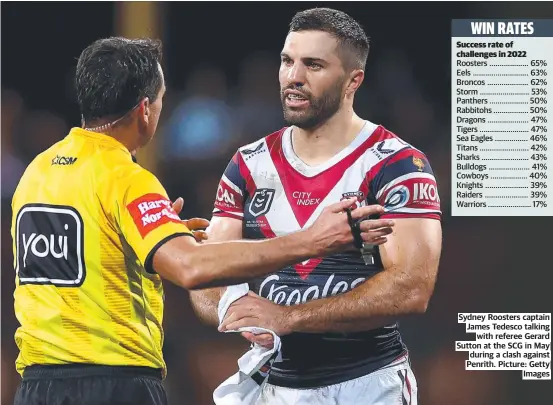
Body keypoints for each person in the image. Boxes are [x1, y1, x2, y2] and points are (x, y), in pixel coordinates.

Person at [10, 37, 394, 405]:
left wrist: (151, 238)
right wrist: (312, 240)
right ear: (145, 109)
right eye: (161, 101)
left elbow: (73, 259)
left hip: (35, 385)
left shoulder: (37, 172)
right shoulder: (125, 178)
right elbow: (190, 268)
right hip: (112, 384)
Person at [190, 8, 442, 405]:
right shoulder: (247, 165)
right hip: (275, 386)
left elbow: (412, 289)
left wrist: (287, 318)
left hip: (368, 384)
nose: (293, 76)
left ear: (352, 81)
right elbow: (208, 273)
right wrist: (233, 309)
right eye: (287, 61)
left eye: (314, 65)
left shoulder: (396, 164)